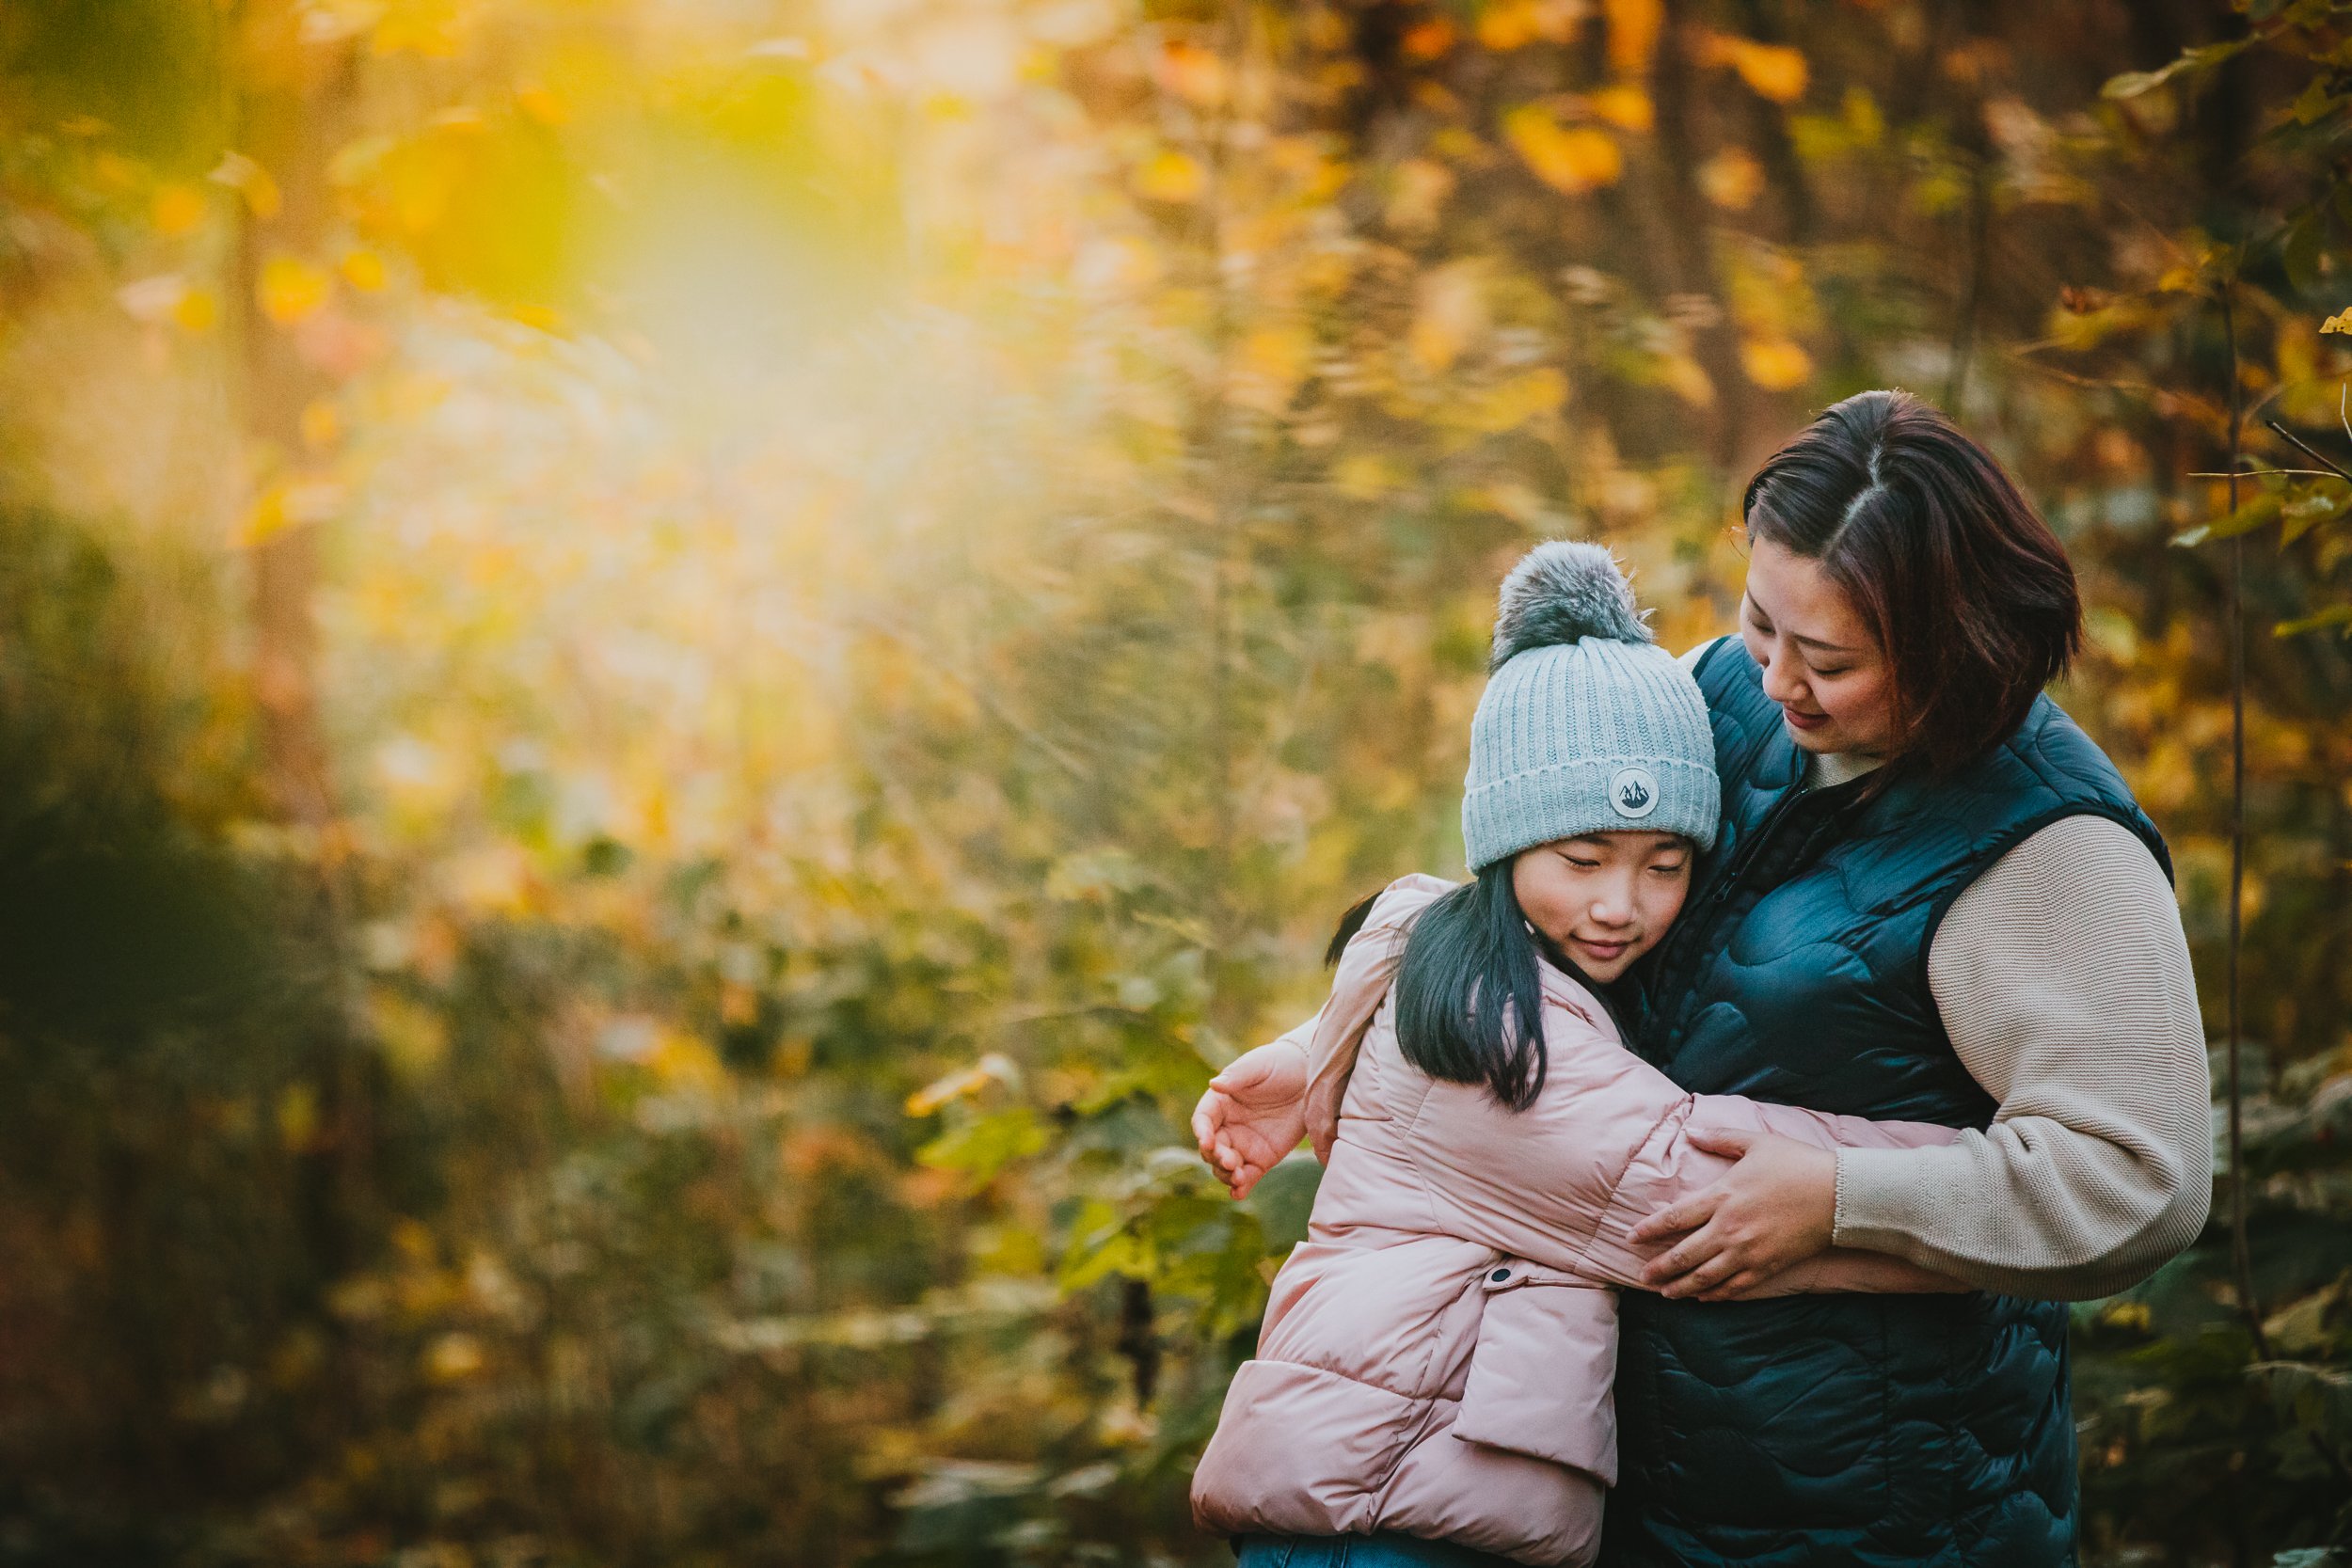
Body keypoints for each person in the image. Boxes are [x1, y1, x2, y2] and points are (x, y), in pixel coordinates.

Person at [1195, 391, 2212, 1567]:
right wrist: (1337, 1034)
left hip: (1872, 1510)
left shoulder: (2048, 849)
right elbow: (1540, 905)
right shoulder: (1719, 698)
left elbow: (2140, 1180)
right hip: (1633, 1480)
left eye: (1827, 658)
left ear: (1952, 643)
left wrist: (1837, 1196)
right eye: (1760, 620)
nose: (1774, 677)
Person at [1191, 541, 1968, 1568]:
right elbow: (1689, 1179)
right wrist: (1987, 1175)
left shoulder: (1470, 964)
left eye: (1664, 864)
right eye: (1582, 858)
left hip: (1396, 1495)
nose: (1620, 904)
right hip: (1384, 1519)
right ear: (1507, 845)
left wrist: (1309, 1054)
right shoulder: (1500, 1040)